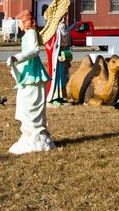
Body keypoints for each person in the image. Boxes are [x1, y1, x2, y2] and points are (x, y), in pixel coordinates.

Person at [6, 10, 55, 154]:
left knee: (30, 102)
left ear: (25, 21)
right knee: (23, 103)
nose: (18, 25)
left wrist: (17, 58)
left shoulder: (32, 33)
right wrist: (16, 67)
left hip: (34, 73)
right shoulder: (27, 34)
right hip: (28, 72)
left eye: (19, 22)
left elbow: (35, 51)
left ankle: (36, 132)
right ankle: (28, 132)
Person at [46, 21, 72, 105]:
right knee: (57, 77)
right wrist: (56, 56)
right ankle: (55, 97)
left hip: (64, 59)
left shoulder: (67, 30)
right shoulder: (55, 32)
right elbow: (51, 47)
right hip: (56, 61)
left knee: (64, 77)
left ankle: (61, 96)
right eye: (61, 18)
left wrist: (68, 54)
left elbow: (68, 45)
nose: (63, 20)